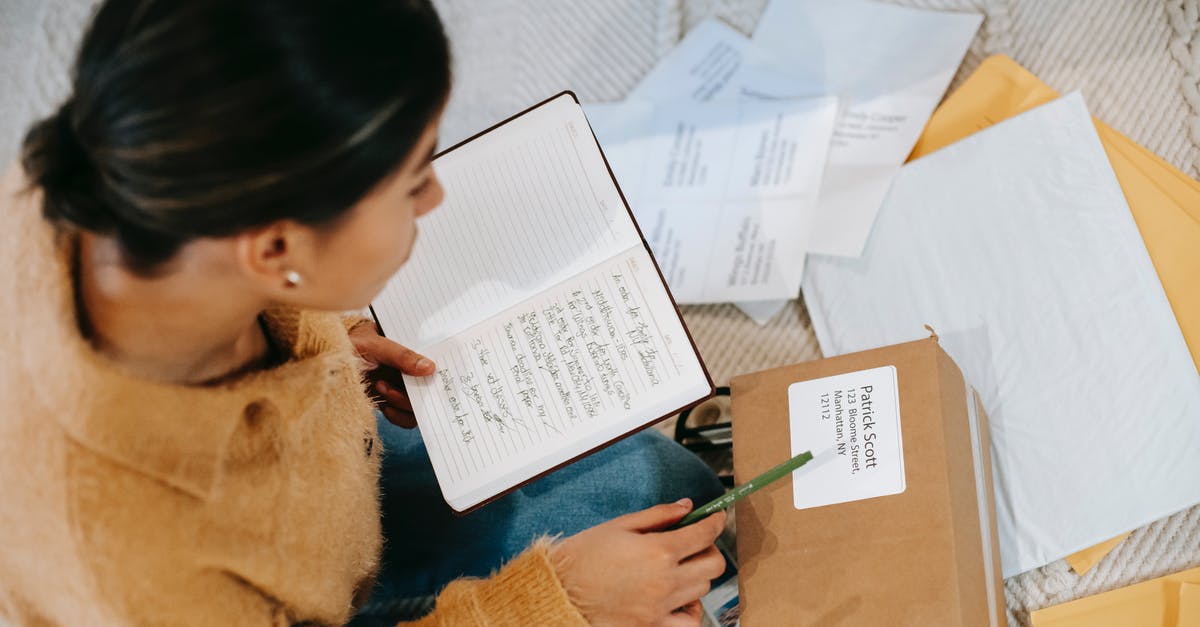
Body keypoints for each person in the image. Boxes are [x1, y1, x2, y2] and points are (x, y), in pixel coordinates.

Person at [0, 0, 727, 625]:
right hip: (288, 590)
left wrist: (336, 347)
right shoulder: (136, 564)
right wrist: (556, 602)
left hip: (320, 497)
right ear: (277, 245)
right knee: (669, 513)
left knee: (662, 486)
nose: (435, 198)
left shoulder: (111, 173)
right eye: (411, 184)